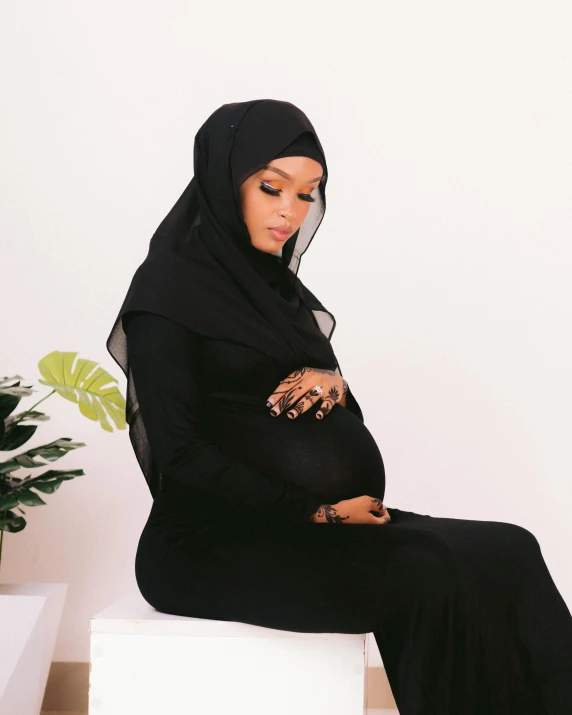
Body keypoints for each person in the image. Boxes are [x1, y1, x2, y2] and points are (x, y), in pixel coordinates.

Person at [106, 99, 572, 715]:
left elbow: (318, 421)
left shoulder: (276, 293)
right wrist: (316, 511)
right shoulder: (165, 292)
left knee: (510, 548)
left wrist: (337, 385)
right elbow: (181, 451)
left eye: (307, 194)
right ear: (224, 181)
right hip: (210, 546)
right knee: (430, 575)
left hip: (306, 526)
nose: (289, 211)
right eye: (272, 187)